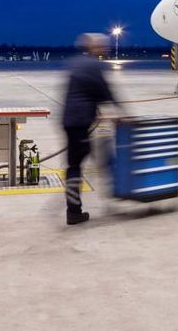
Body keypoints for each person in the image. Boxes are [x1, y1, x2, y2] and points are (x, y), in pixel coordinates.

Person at [61, 33, 119, 225]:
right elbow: (106, 93)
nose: (105, 49)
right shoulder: (94, 65)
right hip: (80, 122)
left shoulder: (77, 62)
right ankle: (74, 211)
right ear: (94, 48)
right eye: (103, 46)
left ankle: (74, 210)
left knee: (75, 164)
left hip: (70, 120)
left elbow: (85, 92)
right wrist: (123, 113)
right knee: (84, 164)